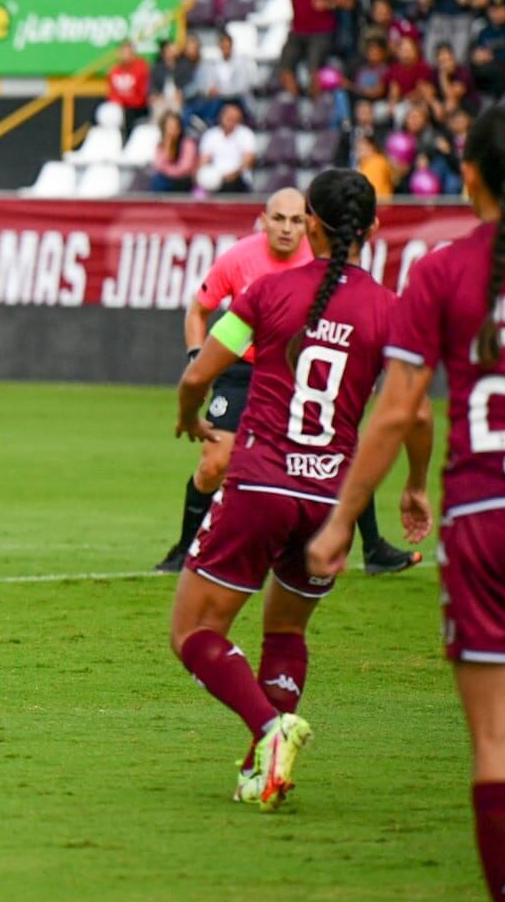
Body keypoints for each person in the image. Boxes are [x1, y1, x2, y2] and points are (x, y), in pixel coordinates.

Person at [307, 100, 505, 902]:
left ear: (465, 173)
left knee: (500, 738)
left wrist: (340, 522)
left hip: (483, 523)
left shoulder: (440, 273)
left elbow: (397, 412)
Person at [173, 168, 433, 810]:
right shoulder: (392, 311)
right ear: (374, 229)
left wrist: (189, 415)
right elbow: (418, 416)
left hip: (261, 486)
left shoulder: (266, 292)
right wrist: (417, 486)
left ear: (309, 222)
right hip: (329, 504)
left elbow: (202, 370)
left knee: (192, 632)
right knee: (287, 629)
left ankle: (268, 728)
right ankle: (263, 766)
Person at [155, 187, 420, 577]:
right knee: (214, 464)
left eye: (296, 220)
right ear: (262, 220)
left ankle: (373, 546)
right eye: (278, 219)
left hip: (299, 369)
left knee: (335, 451)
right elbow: (199, 310)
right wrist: (198, 358)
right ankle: (185, 548)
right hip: (243, 371)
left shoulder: (322, 262)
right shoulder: (239, 259)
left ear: (311, 225)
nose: (286, 228)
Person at [196, 101, 256, 195]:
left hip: (237, 179)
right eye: (228, 117)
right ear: (221, 117)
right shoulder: (211, 135)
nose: (230, 121)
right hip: (215, 178)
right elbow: (204, 160)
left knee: (230, 184)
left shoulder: (246, 134)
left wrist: (232, 175)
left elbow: (248, 162)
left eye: (234, 118)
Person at [149, 111, 197, 192]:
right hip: (166, 179)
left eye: (175, 126)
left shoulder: (188, 143)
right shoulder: (161, 145)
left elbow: (185, 168)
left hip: (183, 180)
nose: (173, 130)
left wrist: (168, 171)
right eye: (169, 127)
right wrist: (168, 145)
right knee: (157, 180)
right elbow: (159, 166)